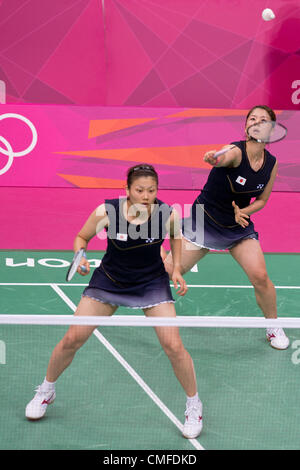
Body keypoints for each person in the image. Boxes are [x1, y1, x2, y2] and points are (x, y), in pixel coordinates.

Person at [25, 164, 203, 440]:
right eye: (140, 190)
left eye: (152, 190)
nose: (146, 196)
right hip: (110, 280)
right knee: (73, 338)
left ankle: (194, 405)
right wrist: (79, 256)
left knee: (173, 346)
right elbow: (81, 237)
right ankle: (46, 390)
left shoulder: (167, 214)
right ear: (127, 189)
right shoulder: (107, 211)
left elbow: (176, 238)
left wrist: (176, 268)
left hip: (151, 283)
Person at [162, 105, 289, 350]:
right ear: (246, 127)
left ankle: (273, 326)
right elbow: (223, 155)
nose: (256, 122)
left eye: (263, 120)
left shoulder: (271, 163)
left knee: (261, 276)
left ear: (271, 130)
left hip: (236, 226)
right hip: (205, 221)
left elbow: (262, 200)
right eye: (252, 119)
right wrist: (214, 157)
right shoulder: (235, 152)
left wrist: (244, 212)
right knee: (166, 272)